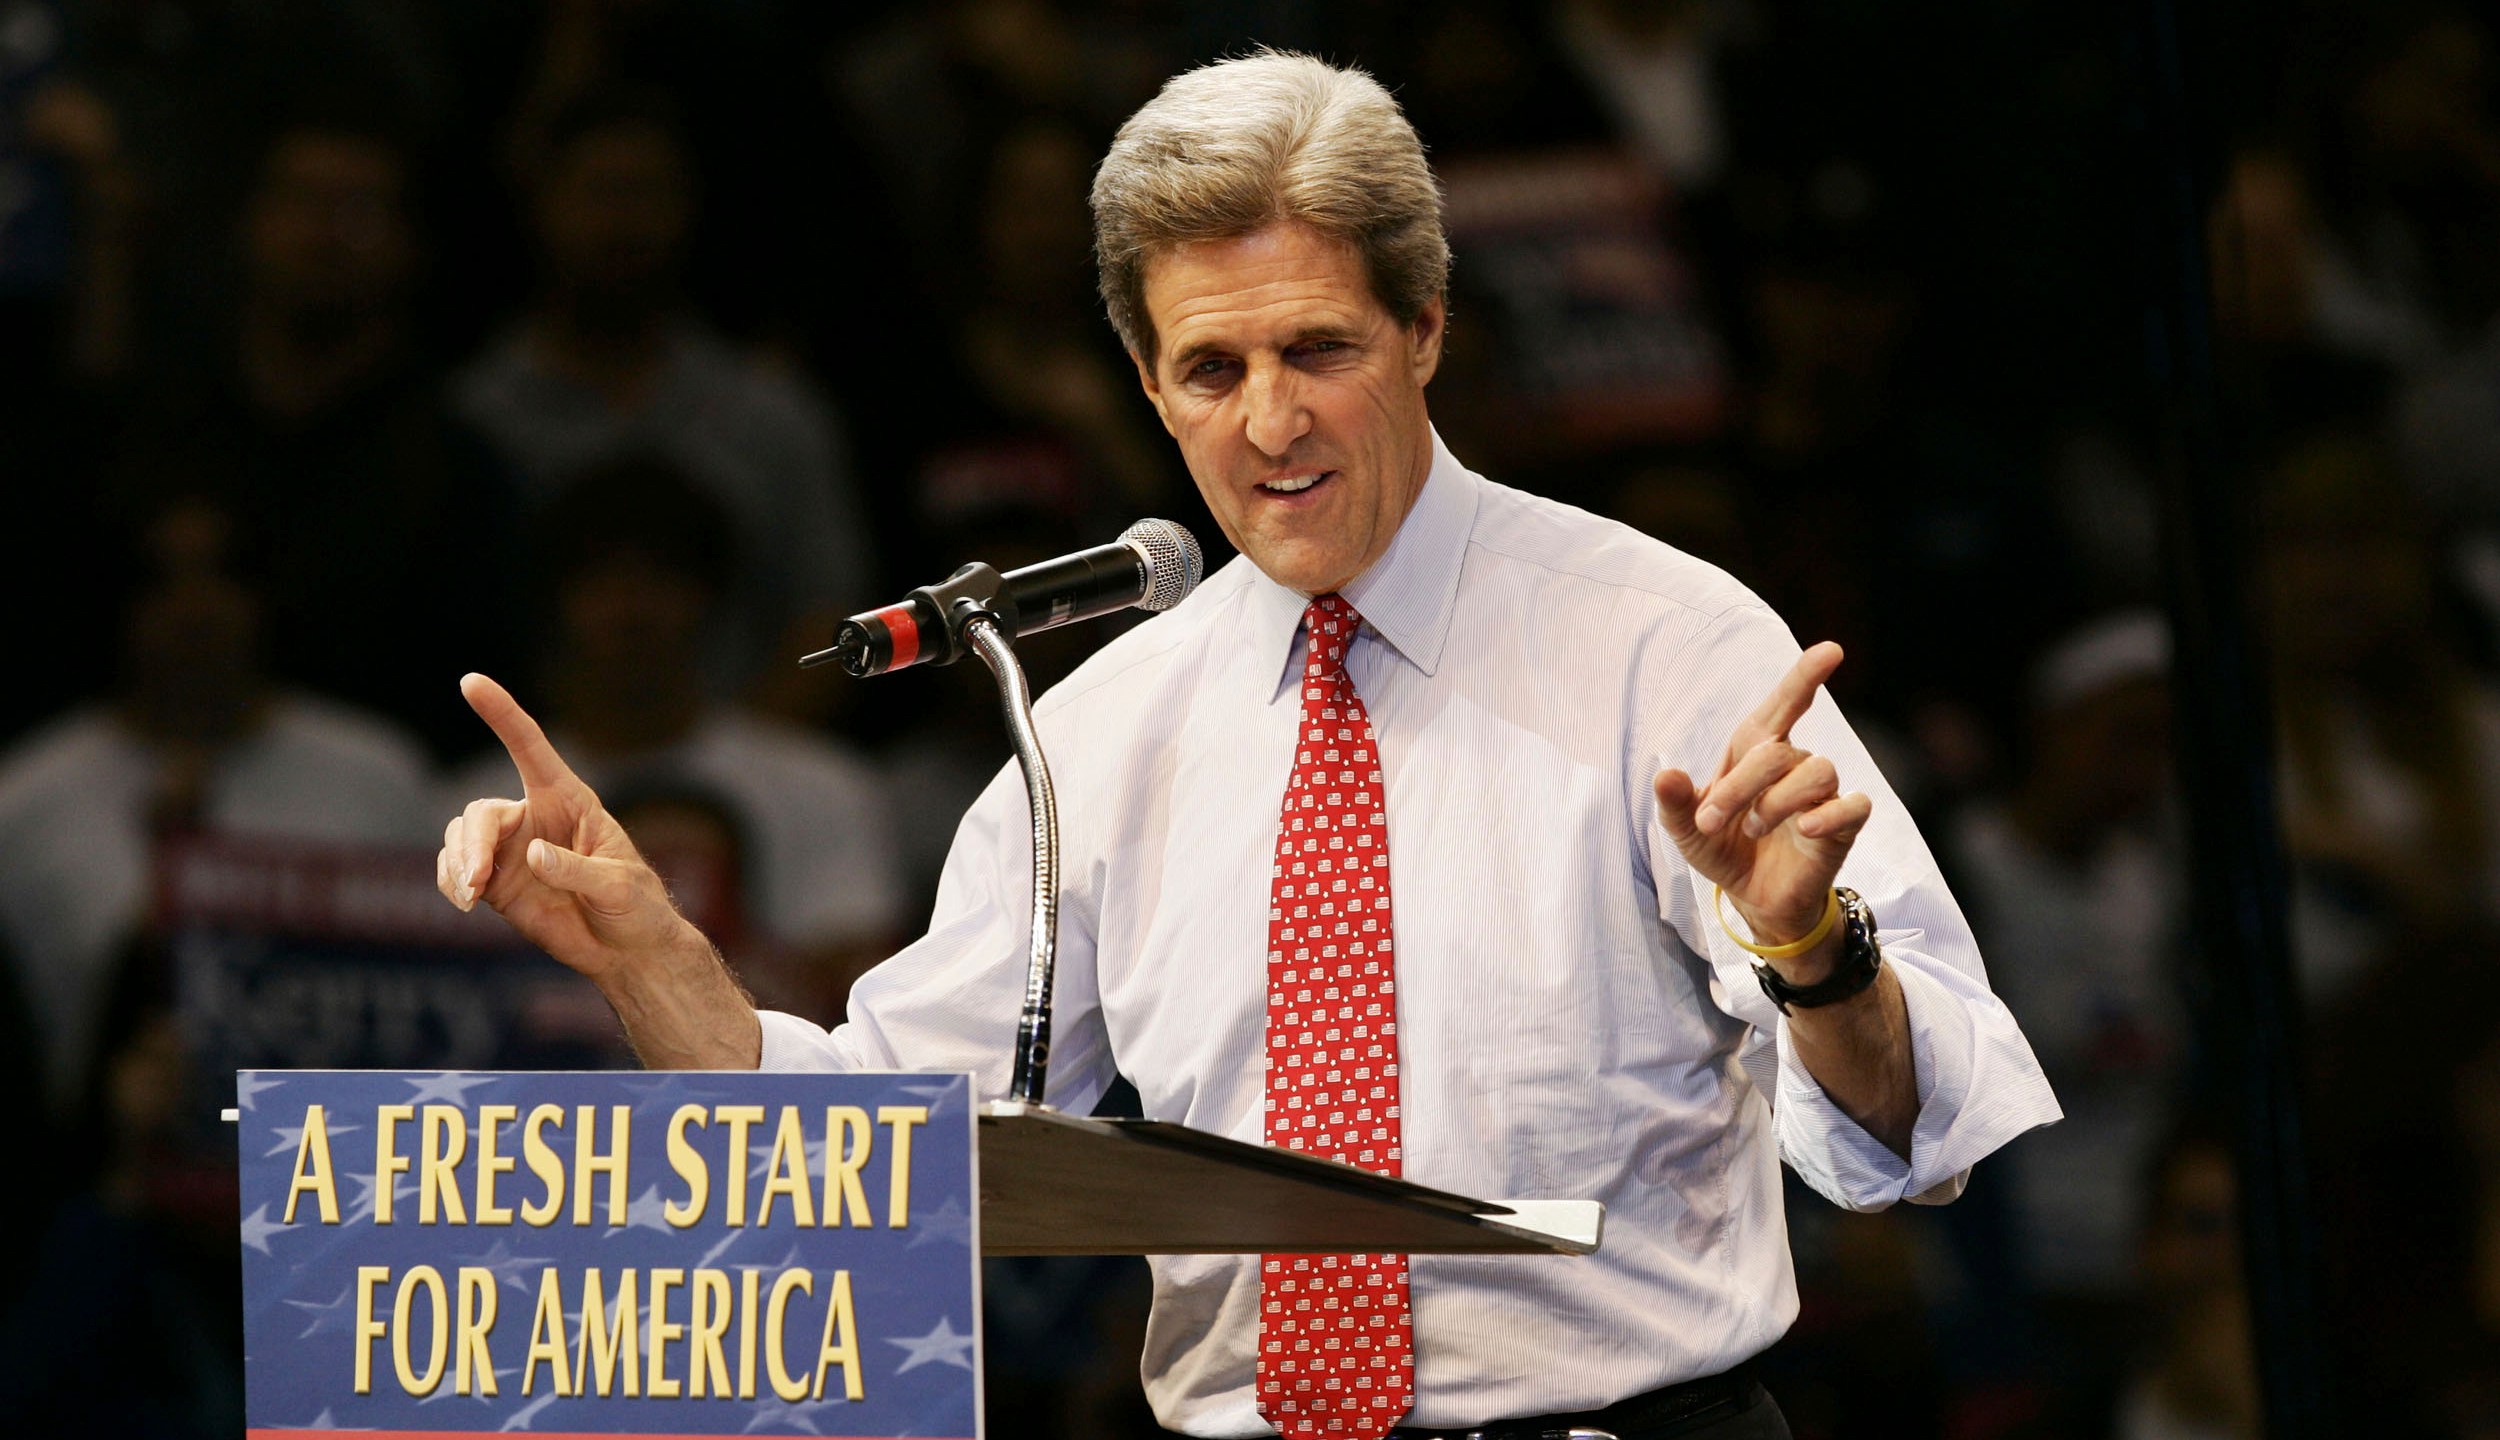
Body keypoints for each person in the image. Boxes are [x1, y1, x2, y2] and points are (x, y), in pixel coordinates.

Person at [435, 51, 2056, 1440]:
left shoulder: (1665, 641)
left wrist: (1807, 948)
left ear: (1424, 329)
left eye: (1318, 352)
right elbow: (888, 1150)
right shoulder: (1104, 728)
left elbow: (1918, 1140)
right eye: (1211, 368)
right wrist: (657, 965)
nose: (1269, 422)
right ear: (1145, 382)